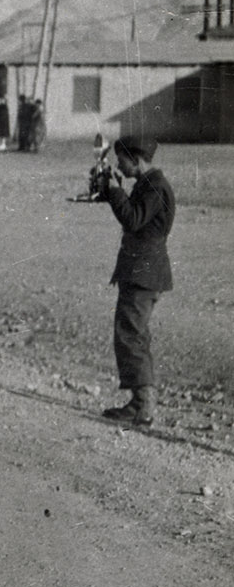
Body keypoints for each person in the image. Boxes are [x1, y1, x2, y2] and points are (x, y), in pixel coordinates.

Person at [97, 135, 174, 426]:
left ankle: (143, 405)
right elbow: (134, 214)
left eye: (122, 161)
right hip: (141, 270)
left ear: (137, 160)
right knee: (134, 332)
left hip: (144, 272)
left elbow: (133, 219)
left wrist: (116, 191)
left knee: (131, 334)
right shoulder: (148, 184)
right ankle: (141, 402)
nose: (120, 166)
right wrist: (111, 191)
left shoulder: (154, 186)